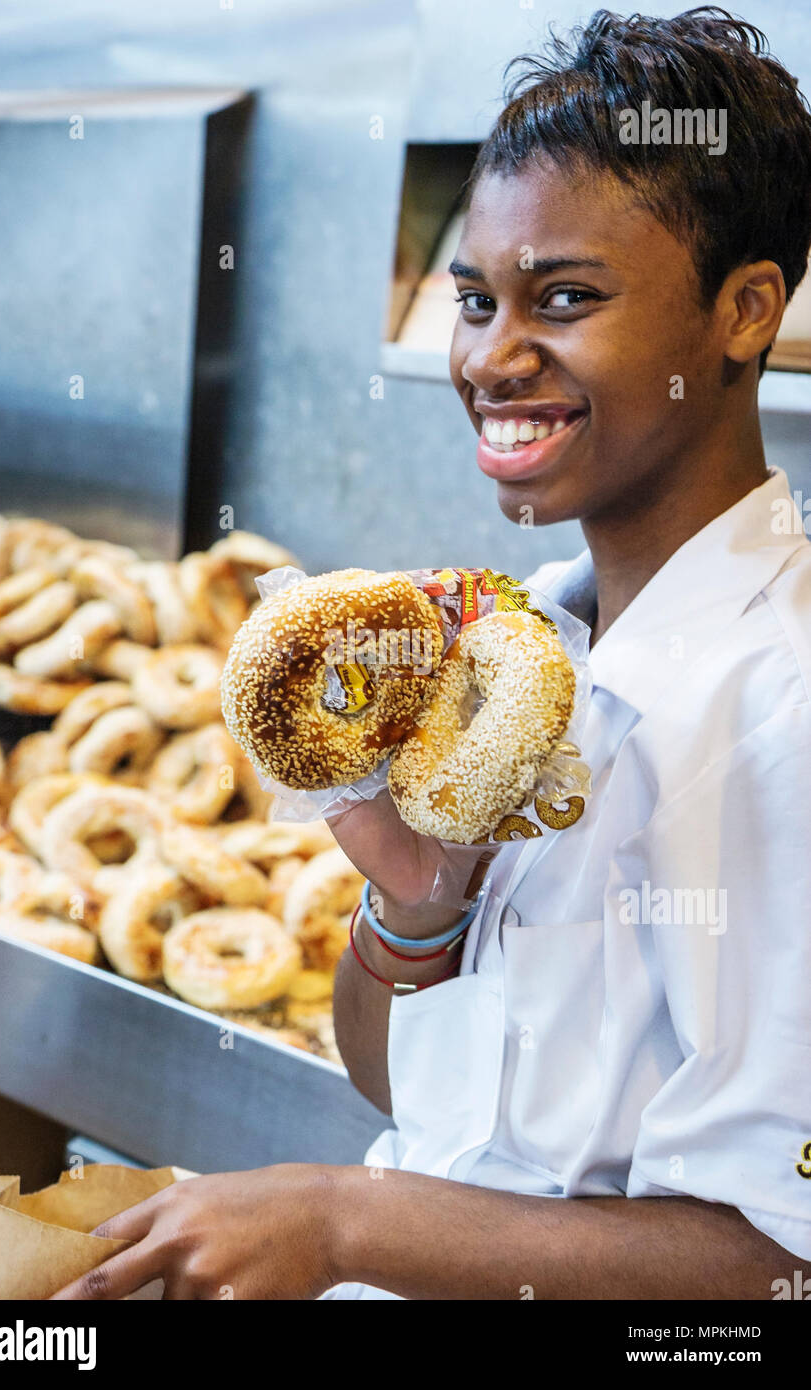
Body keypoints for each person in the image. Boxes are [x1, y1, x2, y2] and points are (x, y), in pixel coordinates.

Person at [54, 6, 811, 1300]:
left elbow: (771, 1261)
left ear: (742, 313)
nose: (490, 358)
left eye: (563, 299)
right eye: (473, 299)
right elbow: (405, 1086)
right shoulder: (514, 656)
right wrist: (415, 908)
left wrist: (346, 1221)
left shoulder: (774, 713)